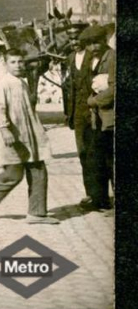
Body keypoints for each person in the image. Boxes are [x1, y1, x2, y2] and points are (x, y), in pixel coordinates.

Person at [0, 49, 58, 224]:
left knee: (38, 170)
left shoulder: (21, 83)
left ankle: (36, 213)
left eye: (21, 62)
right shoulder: (4, 84)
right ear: (5, 64)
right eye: (13, 62)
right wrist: (4, 130)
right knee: (14, 174)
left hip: (29, 136)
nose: (18, 66)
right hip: (14, 136)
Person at [63, 24, 110, 210]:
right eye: (70, 38)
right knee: (83, 155)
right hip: (78, 115)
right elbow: (68, 88)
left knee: (98, 155)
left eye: (77, 37)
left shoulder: (95, 57)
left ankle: (102, 197)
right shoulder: (70, 58)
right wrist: (69, 113)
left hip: (94, 113)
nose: (74, 41)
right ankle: (91, 194)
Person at [84, 30, 115, 211]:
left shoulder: (112, 58)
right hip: (98, 119)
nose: (93, 47)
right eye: (89, 44)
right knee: (100, 159)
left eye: (96, 42)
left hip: (110, 117)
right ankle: (101, 199)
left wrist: (94, 100)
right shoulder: (94, 59)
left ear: (104, 41)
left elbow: (115, 88)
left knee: (112, 161)